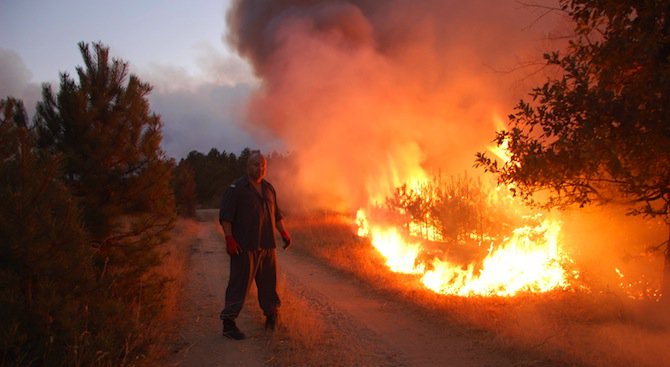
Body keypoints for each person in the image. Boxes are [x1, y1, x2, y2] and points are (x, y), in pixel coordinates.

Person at [219, 150, 291, 340]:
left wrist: (284, 233)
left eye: (263, 165)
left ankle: (271, 317)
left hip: (267, 245)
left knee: (269, 284)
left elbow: (276, 215)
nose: (260, 168)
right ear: (247, 166)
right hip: (244, 247)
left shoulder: (268, 188)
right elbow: (226, 217)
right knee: (239, 285)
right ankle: (229, 323)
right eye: (256, 164)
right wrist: (229, 239)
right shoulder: (236, 189)